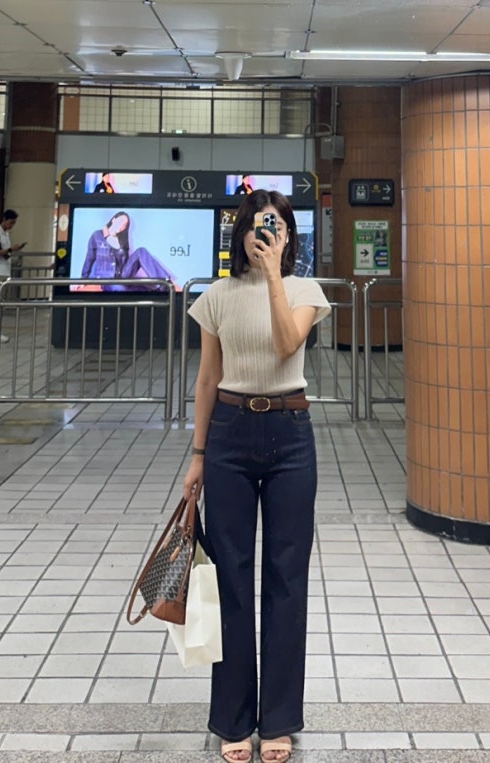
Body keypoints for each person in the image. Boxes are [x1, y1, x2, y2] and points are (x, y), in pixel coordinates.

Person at [183, 189, 331, 763]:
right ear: (238, 235)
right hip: (229, 434)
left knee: (287, 577)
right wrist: (198, 455)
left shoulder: (304, 291)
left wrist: (273, 276)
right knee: (231, 576)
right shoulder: (216, 297)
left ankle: (279, 720)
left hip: (291, 434)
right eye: (252, 225)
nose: (262, 234)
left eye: (274, 225)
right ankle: (233, 719)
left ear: (288, 236)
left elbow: (287, 343)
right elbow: (207, 378)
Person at [79, 211, 177, 291]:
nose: (121, 226)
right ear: (113, 219)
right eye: (120, 222)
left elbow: (125, 264)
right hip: (107, 279)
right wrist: (83, 280)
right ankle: (151, 288)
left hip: (123, 276)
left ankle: (164, 283)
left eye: (124, 225)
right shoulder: (97, 235)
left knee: (141, 251)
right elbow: (89, 258)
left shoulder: (122, 241)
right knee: (120, 288)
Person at [0, 209, 25, 342]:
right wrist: (10, 249)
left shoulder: (6, 235)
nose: (12, 225)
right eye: (11, 222)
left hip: (3, 271)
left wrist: (12, 250)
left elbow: (4, 254)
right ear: (4, 219)